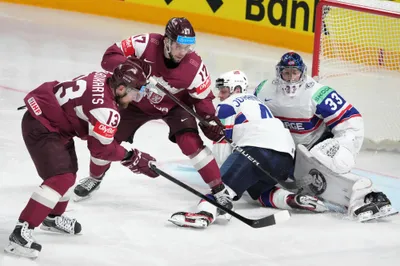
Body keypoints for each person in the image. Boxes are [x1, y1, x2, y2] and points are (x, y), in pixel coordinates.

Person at [73, 17, 232, 211]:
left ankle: (219, 190)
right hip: (135, 102)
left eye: (187, 48)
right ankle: (95, 177)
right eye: (178, 46)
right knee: (106, 140)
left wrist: (208, 119)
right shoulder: (146, 43)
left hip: (175, 107)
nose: (183, 52)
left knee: (190, 142)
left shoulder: (195, 66)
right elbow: (109, 56)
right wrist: (133, 69)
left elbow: (203, 99)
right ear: (167, 41)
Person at [4, 60, 158, 259]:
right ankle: (20, 234)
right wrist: (132, 157)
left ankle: (52, 217)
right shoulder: (106, 109)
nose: (135, 98)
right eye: (134, 93)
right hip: (43, 126)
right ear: (120, 88)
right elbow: (100, 151)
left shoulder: (103, 77)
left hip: (50, 121)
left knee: (69, 172)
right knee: (61, 177)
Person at [168, 70, 327, 229]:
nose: (220, 96)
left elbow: (222, 146)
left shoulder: (227, 105)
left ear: (236, 90)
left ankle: (205, 215)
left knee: (221, 191)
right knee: (257, 192)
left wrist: (221, 182)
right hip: (285, 157)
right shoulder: (256, 102)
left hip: (256, 149)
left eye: (223, 91)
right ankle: (292, 199)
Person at [254, 52, 396, 222]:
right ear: (279, 73)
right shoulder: (263, 90)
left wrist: (341, 145)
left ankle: (368, 195)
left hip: (316, 145)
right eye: (286, 72)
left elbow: (352, 120)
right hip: (288, 152)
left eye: (295, 72)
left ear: (302, 73)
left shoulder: (317, 93)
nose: (291, 78)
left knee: (329, 163)